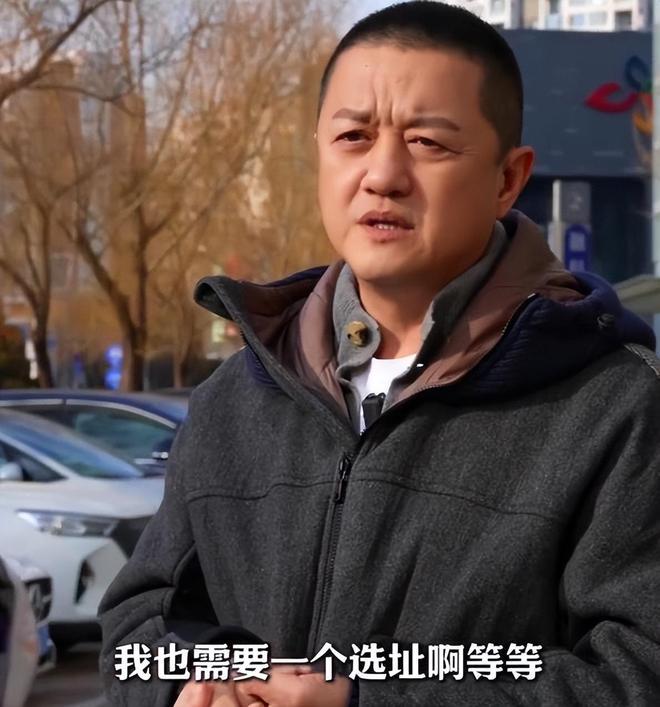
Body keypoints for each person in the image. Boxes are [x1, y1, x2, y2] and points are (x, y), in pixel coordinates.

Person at [99, 2, 660, 705]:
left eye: (427, 142)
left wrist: (364, 697)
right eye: (353, 137)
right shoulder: (235, 400)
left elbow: (638, 670)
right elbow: (135, 631)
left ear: (508, 180)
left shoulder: (612, 408)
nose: (383, 174)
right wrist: (194, 682)